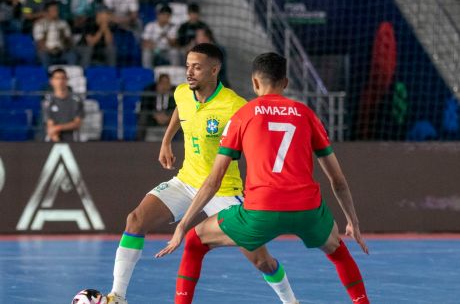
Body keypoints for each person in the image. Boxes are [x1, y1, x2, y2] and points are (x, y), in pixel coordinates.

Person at [156, 52, 371, 304]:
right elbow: (338, 180)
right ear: (286, 83)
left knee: (194, 242)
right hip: (307, 211)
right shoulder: (305, 114)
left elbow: (214, 181)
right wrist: (352, 221)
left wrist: (183, 225)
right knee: (338, 251)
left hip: (260, 211)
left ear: (255, 83)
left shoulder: (243, 115)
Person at [106, 44, 298, 304]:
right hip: (186, 181)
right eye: (187, 66)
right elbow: (180, 109)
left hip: (223, 190)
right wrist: (166, 140)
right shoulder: (183, 93)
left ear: (214, 70)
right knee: (135, 220)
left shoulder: (234, 106)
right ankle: (117, 296)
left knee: (260, 259)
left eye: (196, 67)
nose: (189, 72)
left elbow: (260, 143)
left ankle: (290, 301)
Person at [43, 68, 84, 142]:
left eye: (63, 78)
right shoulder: (48, 101)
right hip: (54, 139)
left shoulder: (76, 100)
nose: (60, 81)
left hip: (73, 140)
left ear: (67, 80)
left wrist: (58, 128)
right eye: (57, 78)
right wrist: (57, 139)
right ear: (51, 81)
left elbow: (77, 123)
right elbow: (50, 124)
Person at [33, 1, 77, 68]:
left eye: (57, 10)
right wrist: (50, 50)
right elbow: (40, 43)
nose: (56, 12)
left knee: (72, 55)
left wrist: (65, 43)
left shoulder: (63, 23)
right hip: (47, 51)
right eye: (53, 10)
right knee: (43, 55)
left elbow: (69, 40)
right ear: (47, 12)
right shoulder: (40, 24)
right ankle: (47, 76)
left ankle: (70, 75)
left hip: (61, 51)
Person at [136, 73, 176, 141]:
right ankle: (139, 142)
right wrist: (155, 115)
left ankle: (181, 143)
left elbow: (177, 108)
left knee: (182, 119)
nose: (164, 86)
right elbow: (145, 107)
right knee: (143, 117)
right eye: (162, 83)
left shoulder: (175, 93)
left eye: (167, 83)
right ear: (157, 85)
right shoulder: (149, 91)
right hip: (152, 118)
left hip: (169, 118)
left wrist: (168, 116)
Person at [141, 3, 179, 68]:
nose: (165, 17)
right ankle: (148, 72)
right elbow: (144, 43)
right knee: (146, 52)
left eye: (168, 15)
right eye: (163, 14)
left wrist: (167, 36)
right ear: (158, 15)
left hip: (167, 51)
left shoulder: (173, 27)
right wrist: (153, 44)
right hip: (154, 50)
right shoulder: (150, 26)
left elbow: (175, 44)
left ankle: (174, 72)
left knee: (174, 52)